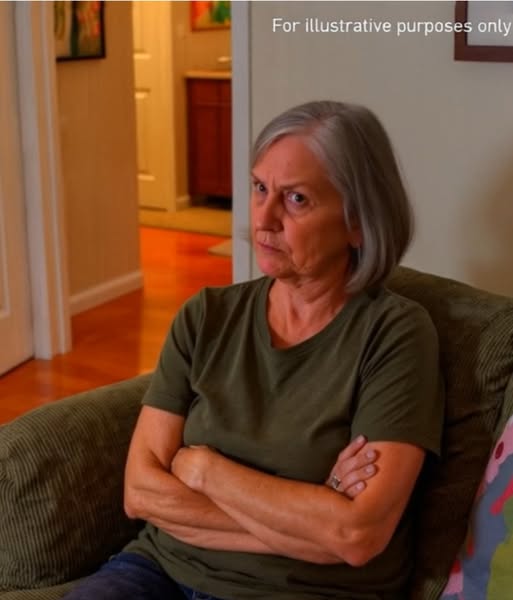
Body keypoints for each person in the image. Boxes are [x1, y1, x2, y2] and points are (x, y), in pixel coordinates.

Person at [64, 100, 444, 600]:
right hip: (162, 569)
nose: (263, 219)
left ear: (358, 222)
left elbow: (357, 535)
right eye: (260, 188)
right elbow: (139, 492)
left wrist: (203, 470)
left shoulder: (395, 335)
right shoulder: (205, 317)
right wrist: (314, 515)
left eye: (297, 199)